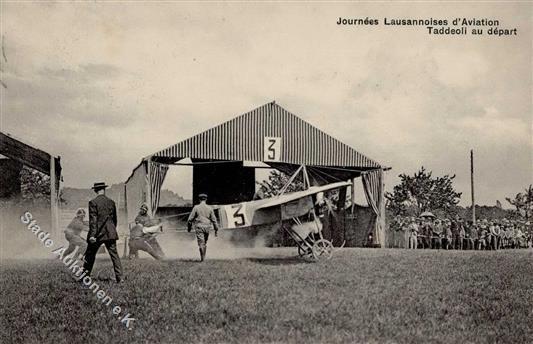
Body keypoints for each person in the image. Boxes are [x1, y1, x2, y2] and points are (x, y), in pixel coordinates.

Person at [83, 182, 123, 283]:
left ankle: (84, 278)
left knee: (90, 255)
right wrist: (112, 230)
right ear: (104, 190)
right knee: (115, 256)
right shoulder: (112, 202)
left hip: (98, 234)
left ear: (95, 190)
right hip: (111, 232)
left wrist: (92, 235)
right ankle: (120, 278)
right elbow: (115, 220)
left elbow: (93, 221)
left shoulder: (93, 202)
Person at [187, 193, 219, 262]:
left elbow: (190, 220)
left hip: (199, 227)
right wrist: (216, 229)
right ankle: (203, 258)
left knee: (201, 243)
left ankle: (203, 259)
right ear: (206, 199)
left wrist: (189, 228)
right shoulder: (210, 208)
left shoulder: (196, 207)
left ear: (199, 200)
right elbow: (214, 220)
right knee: (204, 243)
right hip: (207, 227)